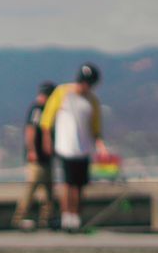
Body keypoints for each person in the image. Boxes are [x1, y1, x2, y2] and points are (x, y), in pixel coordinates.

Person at [40, 63, 108, 232]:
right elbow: (47, 120)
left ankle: (76, 217)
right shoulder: (62, 93)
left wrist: (101, 146)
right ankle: (67, 217)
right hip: (65, 148)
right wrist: (47, 141)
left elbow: (96, 128)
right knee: (67, 185)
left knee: (79, 186)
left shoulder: (92, 100)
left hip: (83, 150)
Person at [11, 80, 58, 230]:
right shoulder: (37, 109)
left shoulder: (47, 110)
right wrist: (32, 151)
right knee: (32, 188)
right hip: (37, 158)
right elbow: (30, 131)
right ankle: (20, 218)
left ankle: (48, 218)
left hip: (46, 157)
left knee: (49, 191)